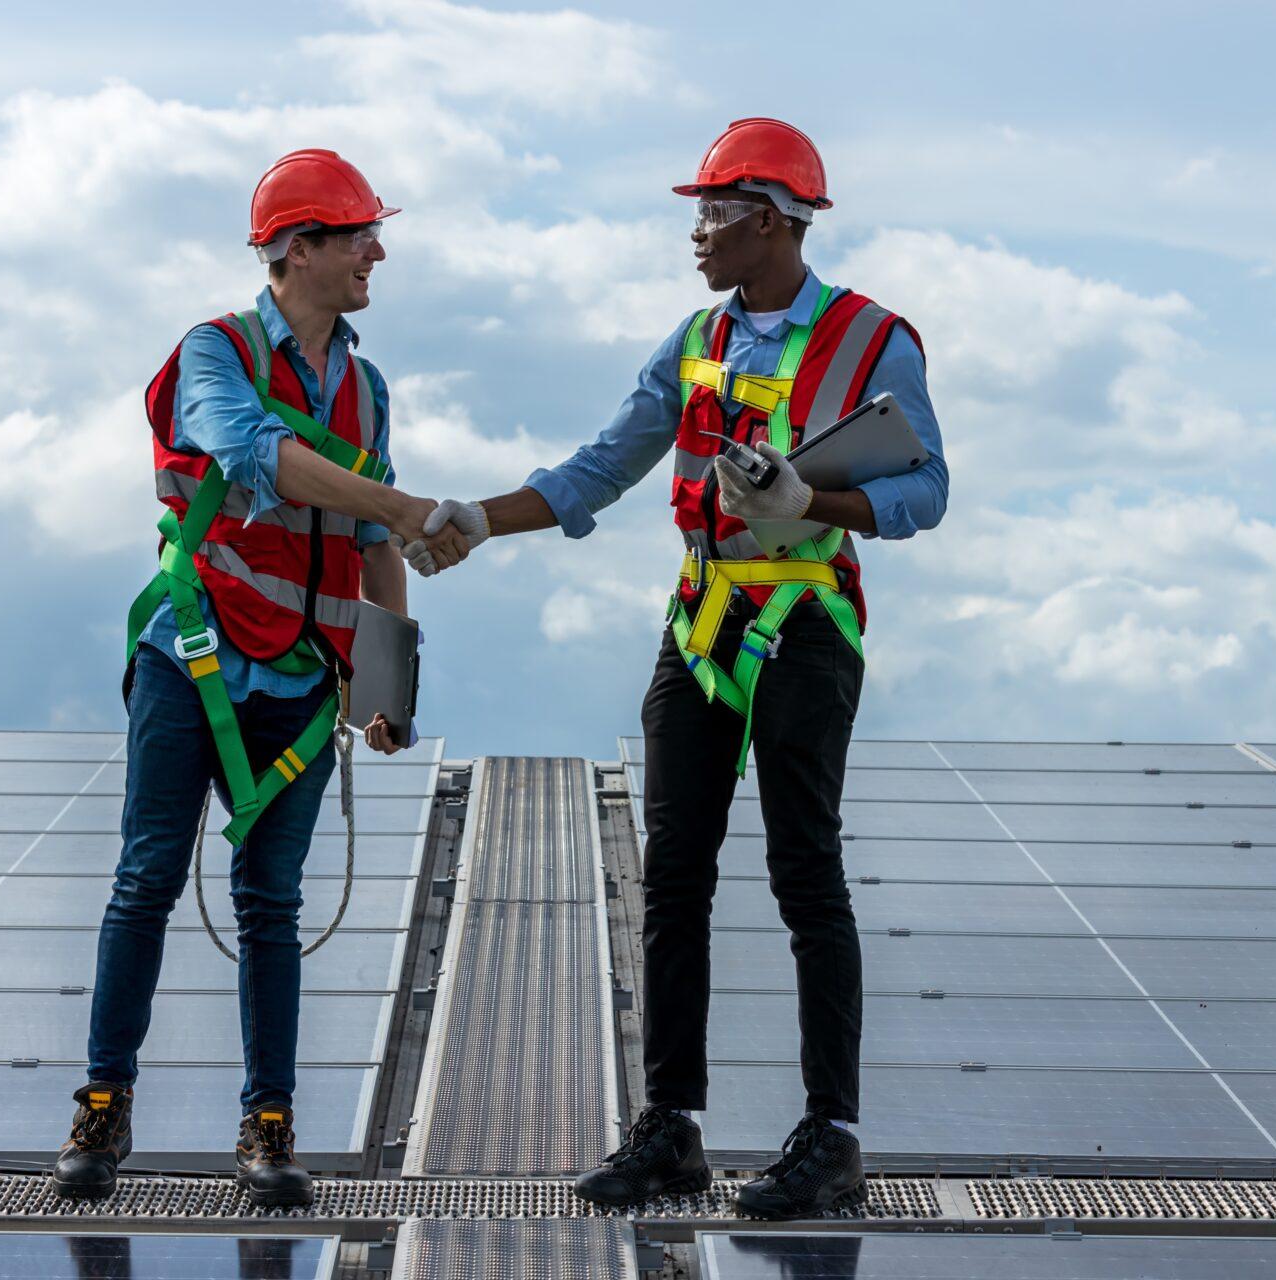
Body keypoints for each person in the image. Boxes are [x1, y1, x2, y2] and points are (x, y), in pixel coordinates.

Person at [407, 118, 947, 1218]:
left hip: (805, 621)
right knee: (675, 878)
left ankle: (832, 1132)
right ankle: (673, 1126)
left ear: (768, 217)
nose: (694, 232)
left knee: (806, 872)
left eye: (710, 211)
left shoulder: (873, 338)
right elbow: (603, 464)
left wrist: (811, 503)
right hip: (701, 620)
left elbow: (925, 492)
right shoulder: (695, 339)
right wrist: (479, 518)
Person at [50, 149, 467, 1207]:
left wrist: (387, 684)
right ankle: (102, 1106)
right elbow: (250, 456)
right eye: (359, 234)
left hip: (295, 679)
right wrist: (405, 505)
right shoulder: (216, 351)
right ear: (300, 250)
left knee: (269, 903)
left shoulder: (367, 390)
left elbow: (372, 534)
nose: (377, 251)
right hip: (190, 660)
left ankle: (269, 1126)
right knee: (146, 877)